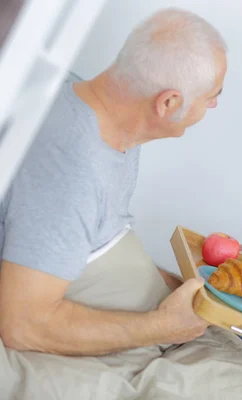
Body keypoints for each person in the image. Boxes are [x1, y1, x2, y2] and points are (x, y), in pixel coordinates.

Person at [0, 8, 227, 356]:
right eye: (213, 95)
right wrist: (162, 327)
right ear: (168, 103)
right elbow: (22, 325)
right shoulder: (72, 172)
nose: (213, 105)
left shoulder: (100, 114)